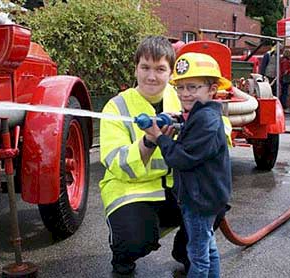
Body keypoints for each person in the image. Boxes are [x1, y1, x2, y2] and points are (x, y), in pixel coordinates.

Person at [98, 35, 187, 275]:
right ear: (135, 68)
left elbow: (218, 125)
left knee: (215, 203)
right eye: (145, 67)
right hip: (131, 191)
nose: (151, 76)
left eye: (160, 69)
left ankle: (185, 251)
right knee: (135, 239)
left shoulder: (182, 97)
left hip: (173, 187)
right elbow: (117, 164)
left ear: (170, 73)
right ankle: (123, 254)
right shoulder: (116, 107)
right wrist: (148, 141)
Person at [143, 52, 232, 277]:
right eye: (180, 88)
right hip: (205, 196)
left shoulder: (206, 122)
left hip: (199, 201)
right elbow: (192, 128)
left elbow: (180, 158)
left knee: (197, 256)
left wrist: (159, 137)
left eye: (193, 87)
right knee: (208, 248)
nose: (185, 94)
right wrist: (177, 120)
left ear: (212, 89)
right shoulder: (202, 114)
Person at [280, 48, 290, 112]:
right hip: (285, 78)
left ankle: (283, 106)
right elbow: (285, 71)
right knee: (284, 93)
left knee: (283, 92)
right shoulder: (286, 61)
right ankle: (284, 107)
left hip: (283, 78)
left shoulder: (283, 60)